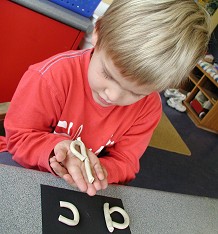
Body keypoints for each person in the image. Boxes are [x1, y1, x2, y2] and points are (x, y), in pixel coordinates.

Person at [0, 0, 210, 196]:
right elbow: (18, 139)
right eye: (108, 75)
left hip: (79, 187)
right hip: (25, 164)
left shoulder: (148, 109)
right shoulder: (51, 78)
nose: (112, 95)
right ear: (97, 33)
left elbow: (126, 162)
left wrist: (101, 171)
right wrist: (54, 149)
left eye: (136, 92)